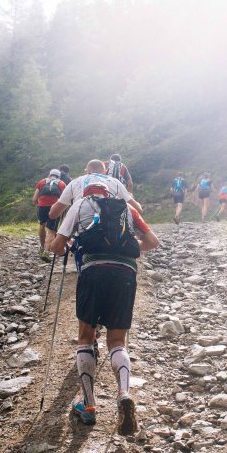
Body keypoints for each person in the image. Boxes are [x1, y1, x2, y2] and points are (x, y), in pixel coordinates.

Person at [48, 181, 160, 435]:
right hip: (125, 272)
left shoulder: (79, 205)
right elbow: (153, 241)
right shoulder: (128, 210)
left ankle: (88, 405)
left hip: (93, 270)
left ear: (86, 193)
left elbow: (56, 246)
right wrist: (131, 250)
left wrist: (68, 246)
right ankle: (123, 393)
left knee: (86, 337)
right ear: (109, 195)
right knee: (118, 341)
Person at [48, 159, 142, 221]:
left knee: (59, 244)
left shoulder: (76, 182)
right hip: (111, 230)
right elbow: (138, 210)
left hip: (83, 232)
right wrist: (136, 203)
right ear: (104, 172)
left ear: (86, 171)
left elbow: (53, 215)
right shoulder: (115, 182)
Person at [32, 169, 67, 261]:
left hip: (42, 207)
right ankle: (46, 252)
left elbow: (34, 199)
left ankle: (42, 247)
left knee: (42, 225)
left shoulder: (42, 182)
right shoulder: (62, 184)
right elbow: (65, 199)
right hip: (54, 208)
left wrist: (39, 205)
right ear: (59, 176)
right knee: (51, 231)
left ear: (49, 175)